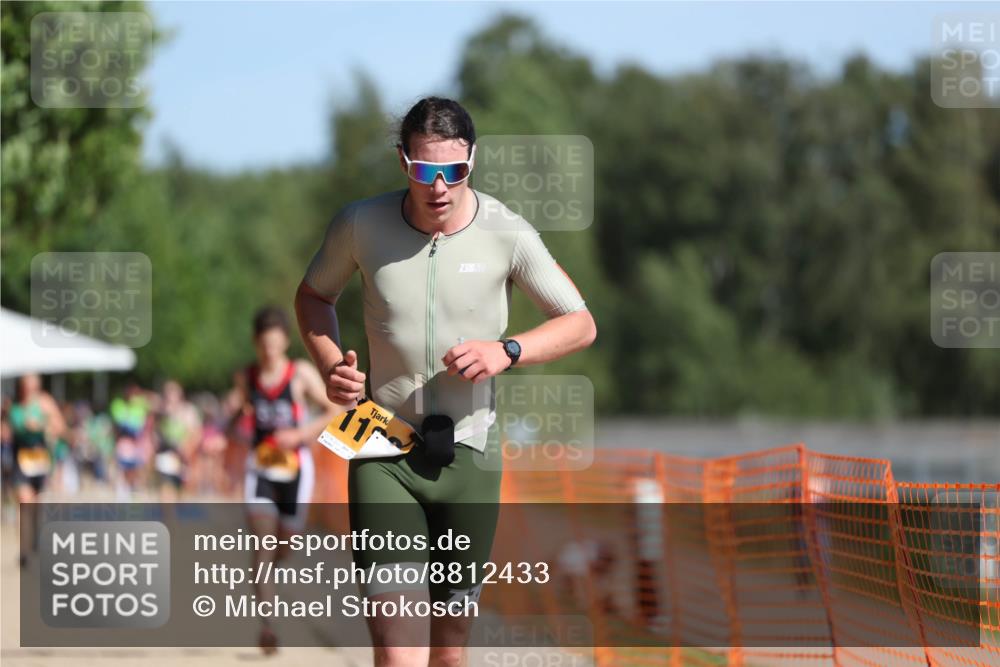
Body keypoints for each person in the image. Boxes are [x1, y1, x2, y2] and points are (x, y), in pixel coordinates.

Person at [295, 97, 597, 667]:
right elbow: (313, 296)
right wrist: (331, 363)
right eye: (425, 170)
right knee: (395, 644)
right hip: (380, 444)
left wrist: (507, 350)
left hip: (470, 456)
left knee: (450, 650)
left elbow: (580, 323)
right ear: (403, 161)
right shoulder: (361, 224)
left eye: (453, 171)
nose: (439, 186)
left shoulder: (506, 231)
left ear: (472, 161)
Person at [229, 305, 340, 654]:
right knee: (263, 545)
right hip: (261, 468)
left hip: (296, 468)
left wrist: (301, 433)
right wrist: (233, 426)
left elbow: (333, 410)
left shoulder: (299, 373)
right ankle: (268, 624)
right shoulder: (246, 376)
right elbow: (235, 416)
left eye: (275, 346)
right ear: (255, 343)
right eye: (264, 347)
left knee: (284, 546)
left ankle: (268, 573)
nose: (269, 353)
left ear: (285, 343)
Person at [10, 373, 66, 567]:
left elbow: (59, 428)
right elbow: (15, 429)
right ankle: (24, 549)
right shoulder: (15, 406)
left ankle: (35, 544)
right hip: (21, 461)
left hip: (40, 462)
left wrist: (47, 419)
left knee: (37, 507)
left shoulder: (45, 404)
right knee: (25, 503)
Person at [153, 380, 202, 502]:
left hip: (184, 456)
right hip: (166, 453)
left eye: (173, 393)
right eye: (167, 393)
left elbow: (197, 433)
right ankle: (168, 517)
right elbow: (154, 431)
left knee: (182, 488)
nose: (170, 397)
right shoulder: (161, 412)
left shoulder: (188, 411)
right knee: (166, 485)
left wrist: (187, 449)